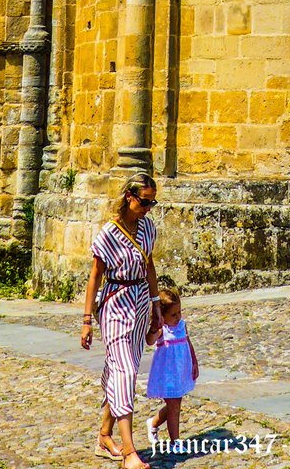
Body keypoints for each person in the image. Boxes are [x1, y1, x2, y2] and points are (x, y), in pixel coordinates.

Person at [81, 173, 161, 469]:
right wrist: (87, 320)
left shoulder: (148, 228)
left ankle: (104, 435)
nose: (148, 207)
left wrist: (156, 307)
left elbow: (150, 265)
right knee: (125, 372)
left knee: (120, 370)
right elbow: (95, 277)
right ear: (129, 197)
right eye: (144, 201)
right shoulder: (109, 234)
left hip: (140, 301)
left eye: (152, 202)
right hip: (115, 303)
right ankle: (129, 452)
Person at [145, 286, 199, 448]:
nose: (177, 317)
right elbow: (150, 340)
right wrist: (155, 326)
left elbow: (188, 343)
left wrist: (194, 362)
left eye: (179, 312)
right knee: (174, 406)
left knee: (175, 404)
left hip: (180, 370)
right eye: (173, 314)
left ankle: (153, 423)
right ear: (162, 315)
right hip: (167, 373)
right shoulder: (162, 330)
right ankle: (175, 441)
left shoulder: (182, 325)